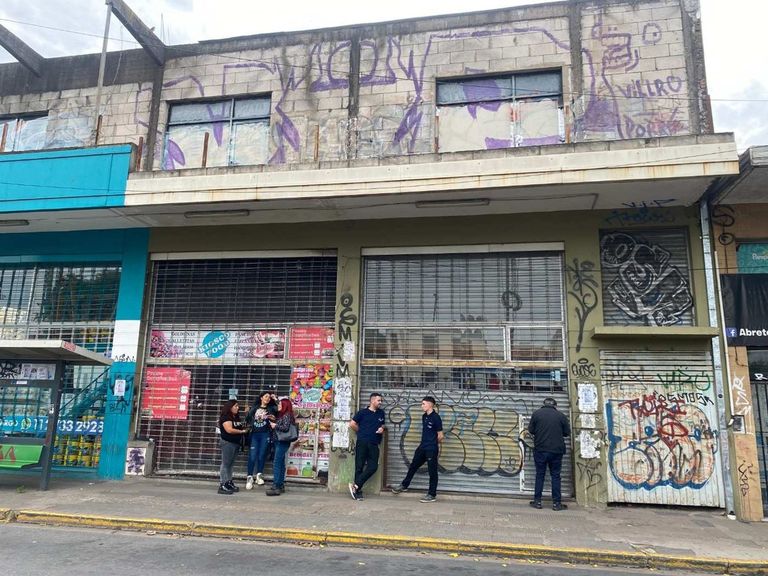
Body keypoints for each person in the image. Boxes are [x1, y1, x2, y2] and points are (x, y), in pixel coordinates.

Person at [391, 396, 443, 503]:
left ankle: (432, 494)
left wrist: (432, 443)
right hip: (422, 447)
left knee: (432, 472)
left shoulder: (436, 418)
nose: (421, 406)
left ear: (430, 404)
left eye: (423, 404)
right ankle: (404, 485)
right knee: (413, 466)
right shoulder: (424, 416)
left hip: (431, 449)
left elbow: (440, 435)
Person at [528, 397, 571, 511]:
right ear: (555, 405)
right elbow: (567, 433)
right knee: (555, 476)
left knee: (540, 475)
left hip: (541, 449)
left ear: (544, 404)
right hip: (556, 451)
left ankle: (537, 502)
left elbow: (531, 430)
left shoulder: (536, 414)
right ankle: (557, 504)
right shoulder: (561, 416)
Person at [348, 392, 386, 500]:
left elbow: (382, 424)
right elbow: (352, 424)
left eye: (381, 400)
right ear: (372, 401)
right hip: (362, 443)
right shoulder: (362, 413)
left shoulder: (381, 413)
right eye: (378, 400)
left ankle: (356, 485)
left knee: (373, 467)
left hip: (374, 443)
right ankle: (357, 491)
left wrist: (382, 429)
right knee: (359, 466)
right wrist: (361, 432)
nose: (380, 402)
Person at [245, 391, 278, 490]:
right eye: (266, 396)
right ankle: (249, 477)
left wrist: (275, 399)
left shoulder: (271, 408)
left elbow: (279, 410)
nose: (267, 398)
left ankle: (259, 475)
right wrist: (247, 412)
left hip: (265, 434)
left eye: (269, 397)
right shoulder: (255, 407)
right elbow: (248, 419)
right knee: (252, 455)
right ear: (261, 398)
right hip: (255, 434)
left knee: (262, 454)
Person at [217, 399, 248, 495]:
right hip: (228, 442)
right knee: (225, 463)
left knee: (230, 464)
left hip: (235, 443)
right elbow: (229, 430)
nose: (238, 408)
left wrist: (247, 414)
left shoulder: (235, 417)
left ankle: (229, 482)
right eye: (236, 406)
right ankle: (223, 484)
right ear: (230, 407)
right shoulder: (225, 417)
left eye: (238, 406)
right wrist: (242, 432)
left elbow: (241, 425)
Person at [266, 398, 296, 496]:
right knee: (281, 463)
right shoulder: (284, 415)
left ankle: (276, 486)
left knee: (277, 463)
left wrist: (275, 425)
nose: (278, 406)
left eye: (280, 405)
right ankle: (280, 484)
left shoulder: (287, 415)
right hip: (279, 441)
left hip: (282, 442)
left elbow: (285, 427)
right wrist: (274, 420)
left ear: (285, 406)